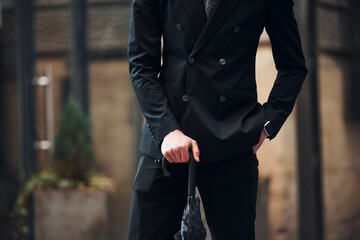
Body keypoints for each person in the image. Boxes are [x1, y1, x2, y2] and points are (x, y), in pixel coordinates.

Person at [127, 0, 308, 239]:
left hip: (232, 139)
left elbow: (293, 67)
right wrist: (167, 130)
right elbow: (141, 65)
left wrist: (266, 124)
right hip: (167, 139)